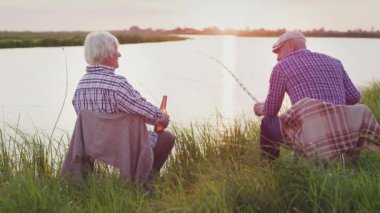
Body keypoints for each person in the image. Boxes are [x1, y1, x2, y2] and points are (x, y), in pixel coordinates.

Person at [72, 31, 175, 175]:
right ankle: (144, 182)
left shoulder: (80, 86)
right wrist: (163, 116)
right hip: (120, 147)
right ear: (106, 53)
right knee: (166, 138)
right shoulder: (117, 85)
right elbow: (154, 116)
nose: (119, 55)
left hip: (92, 147)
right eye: (116, 50)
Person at [254, 31, 361, 160]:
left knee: (268, 121)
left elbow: (271, 111)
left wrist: (259, 108)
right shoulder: (335, 62)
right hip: (340, 134)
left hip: (308, 139)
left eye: (279, 51)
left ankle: (268, 169)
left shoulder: (281, 67)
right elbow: (354, 97)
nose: (277, 58)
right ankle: (348, 160)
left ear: (291, 46)